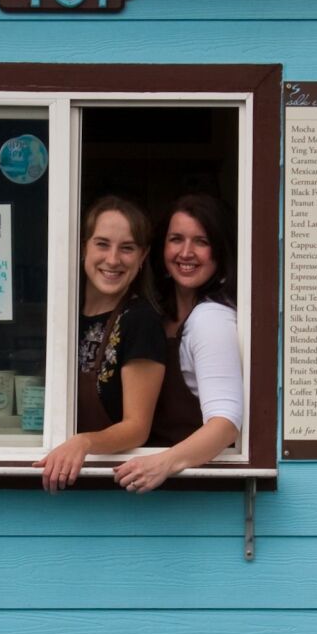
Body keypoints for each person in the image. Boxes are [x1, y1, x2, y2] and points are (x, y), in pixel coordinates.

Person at [113, 194, 243, 493]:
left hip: (195, 494)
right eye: (176, 239)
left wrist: (165, 463)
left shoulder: (211, 318)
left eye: (201, 241)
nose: (186, 252)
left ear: (220, 250)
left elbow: (225, 423)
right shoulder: (159, 315)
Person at [36, 196, 166, 492]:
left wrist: (84, 442)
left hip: (110, 487)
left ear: (143, 256)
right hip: (52, 478)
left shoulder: (139, 321)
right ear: (83, 247)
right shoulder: (61, 314)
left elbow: (136, 428)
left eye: (127, 248)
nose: (113, 259)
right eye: (102, 244)